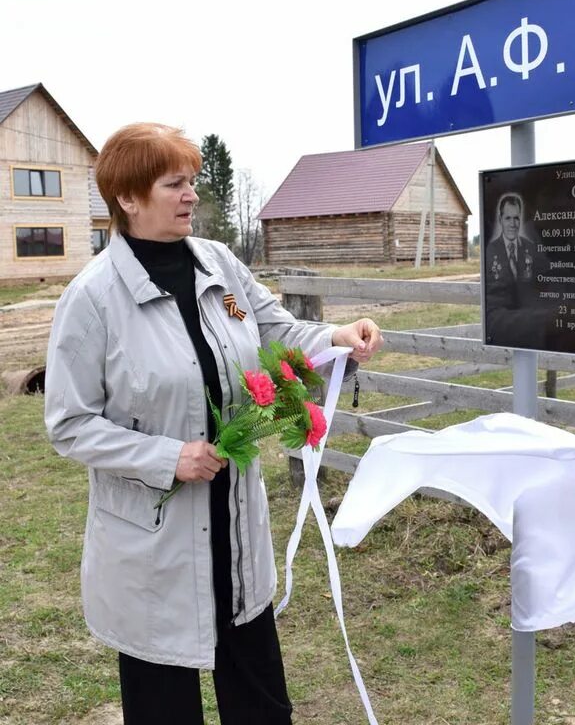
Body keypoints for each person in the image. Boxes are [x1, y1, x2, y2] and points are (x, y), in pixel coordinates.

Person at [44, 123, 383, 725]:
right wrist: (166, 457)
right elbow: (69, 424)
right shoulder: (93, 298)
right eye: (174, 183)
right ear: (128, 198)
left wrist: (336, 336)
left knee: (260, 699)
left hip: (236, 524)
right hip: (155, 540)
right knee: (164, 706)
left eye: (192, 181)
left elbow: (276, 330)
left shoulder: (219, 264)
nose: (191, 194)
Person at [485, 192, 547, 347]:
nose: (513, 224)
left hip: (531, 328)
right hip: (502, 328)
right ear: (500, 220)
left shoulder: (531, 248)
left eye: (516, 218)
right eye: (508, 218)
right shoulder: (490, 251)